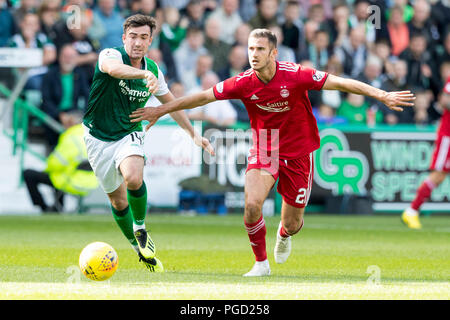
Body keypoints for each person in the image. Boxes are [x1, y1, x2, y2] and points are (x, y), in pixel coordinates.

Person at [130, 28, 416, 277]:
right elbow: (203, 96)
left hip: (300, 149)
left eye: (260, 49)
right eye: (250, 48)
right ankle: (261, 263)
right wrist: (161, 108)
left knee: (293, 223)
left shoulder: (296, 75)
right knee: (252, 205)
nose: (253, 54)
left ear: (273, 53)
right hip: (265, 145)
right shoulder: (243, 82)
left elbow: (339, 82)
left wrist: (382, 95)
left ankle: (282, 233)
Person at [83, 14, 214, 273]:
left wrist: (192, 134)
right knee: (118, 202)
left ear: (150, 41)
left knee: (133, 176)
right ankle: (137, 247)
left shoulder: (154, 71)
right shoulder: (110, 54)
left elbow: (172, 104)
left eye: (144, 37)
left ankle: (140, 228)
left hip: (128, 133)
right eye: (133, 36)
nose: (137, 42)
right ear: (124, 38)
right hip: (96, 137)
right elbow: (112, 70)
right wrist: (142, 75)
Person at [23, 111, 98, 213]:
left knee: (30, 174)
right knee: (59, 174)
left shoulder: (70, 136)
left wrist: (48, 168)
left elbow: (56, 163)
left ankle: (45, 208)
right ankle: (57, 206)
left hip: (73, 180)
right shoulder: (94, 135)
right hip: (95, 182)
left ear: (70, 123)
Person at [402, 78, 450, 229]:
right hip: (448, 136)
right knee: (438, 175)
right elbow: (445, 101)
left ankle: (411, 211)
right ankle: (411, 211)